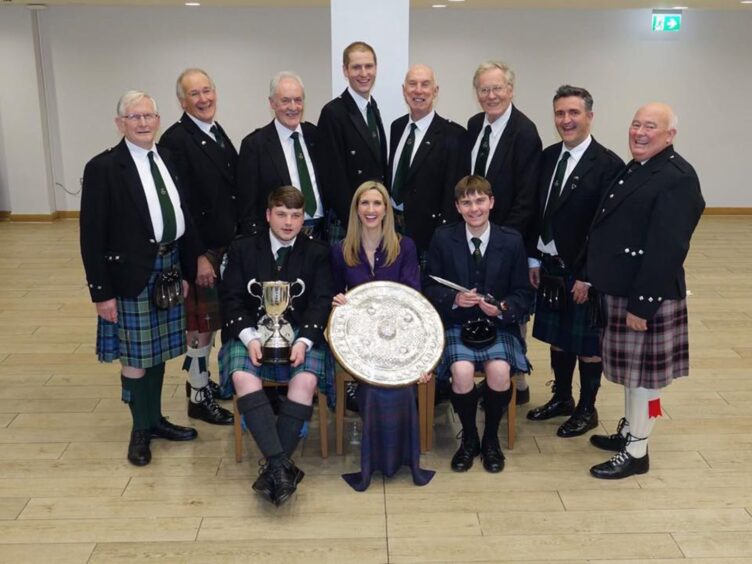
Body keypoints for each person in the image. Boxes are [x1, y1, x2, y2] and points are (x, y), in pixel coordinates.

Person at [80, 90, 199, 466]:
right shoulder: (103, 167)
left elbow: (180, 213)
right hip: (130, 276)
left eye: (149, 115)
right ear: (120, 124)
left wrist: (184, 269)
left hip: (168, 268)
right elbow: (91, 234)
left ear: (158, 119)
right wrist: (102, 293)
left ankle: (157, 419)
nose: (144, 123)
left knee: (158, 350)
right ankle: (139, 429)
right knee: (135, 357)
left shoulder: (166, 156)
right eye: (135, 117)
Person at [586, 103, 704, 479]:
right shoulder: (640, 166)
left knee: (646, 381)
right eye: (635, 124)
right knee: (632, 374)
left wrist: (643, 304)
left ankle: (638, 450)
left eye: (650, 126)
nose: (639, 131)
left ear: (669, 135)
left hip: (645, 296)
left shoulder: (677, 177)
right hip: (622, 288)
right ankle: (630, 430)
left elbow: (668, 249)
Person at [218, 186, 334, 506]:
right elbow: (230, 301)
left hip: (298, 331)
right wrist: (249, 337)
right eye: (281, 214)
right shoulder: (242, 249)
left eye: (296, 216)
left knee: (306, 380)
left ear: (303, 219)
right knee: (243, 377)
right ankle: (281, 465)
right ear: (268, 215)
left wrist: (305, 339)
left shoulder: (318, 252)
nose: (288, 223)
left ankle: (274, 466)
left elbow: (321, 301)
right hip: (251, 330)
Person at [526, 85, 624, 437]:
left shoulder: (608, 165)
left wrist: (588, 276)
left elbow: (606, 229)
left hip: (583, 271)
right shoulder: (549, 156)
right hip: (549, 264)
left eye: (574, 113)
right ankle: (563, 398)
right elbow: (540, 212)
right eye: (560, 114)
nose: (566, 120)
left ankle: (587, 408)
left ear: (590, 116)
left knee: (587, 345)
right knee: (558, 338)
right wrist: (534, 258)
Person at [330, 181, 435, 491]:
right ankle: (372, 461)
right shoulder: (340, 251)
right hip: (358, 342)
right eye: (365, 203)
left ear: (387, 210)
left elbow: (414, 300)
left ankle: (401, 459)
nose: (371, 210)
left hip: (399, 340)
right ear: (356, 209)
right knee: (374, 390)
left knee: (399, 390)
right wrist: (337, 302)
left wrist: (420, 356)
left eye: (378, 204)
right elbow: (334, 294)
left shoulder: (406, 247)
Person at [425, 175, 533, 473]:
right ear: (457, 207)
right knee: (461, 372)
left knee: (499, 372)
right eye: (466, 202)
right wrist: (454, 299)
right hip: (457, 323)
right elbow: (429, 286)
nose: (474, 208)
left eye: (479, 201)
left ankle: (490, 440)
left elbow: (524, 294)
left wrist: (503, 308)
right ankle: (469, 438)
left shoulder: (511, 240)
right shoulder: (443, 238)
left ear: (491, 202)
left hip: (498, 326)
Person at [159, 68, 237, 426]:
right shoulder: (176, 140)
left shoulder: (215, 131)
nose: (204, 99)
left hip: (224, 244)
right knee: (201, 326)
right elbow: (182, 206)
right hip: (204, 250)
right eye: (195, 94)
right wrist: (198, 257)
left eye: (207, 90)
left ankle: (207, 382)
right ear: (182, 101)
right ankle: (197, 394)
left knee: (214, 322)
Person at [465, 61, 542, 404]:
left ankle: (517, 381)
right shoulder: (473, 126)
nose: (491, 95)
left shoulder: (525, 132)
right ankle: (492, 367)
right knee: (478, 301)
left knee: (507, 306)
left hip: (509, 238)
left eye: (497, 88)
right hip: (474, 231)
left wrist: (504, 239)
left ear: (511, 90)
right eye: (484, 89)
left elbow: (528, 197)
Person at [388, 64, 465, 263]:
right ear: (404, 91)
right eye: (412, 84)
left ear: (435, 91)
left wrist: (443, 240)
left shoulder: (453, 134)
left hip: (428, 236)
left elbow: (452, 194)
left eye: (425, 84)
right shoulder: (396, 127)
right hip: (391, 229)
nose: (418, 90)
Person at [237, 71, 326, 240]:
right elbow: (247, 206)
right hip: (278, 239)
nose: (293, 107)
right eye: (285, 100)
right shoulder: (255, 145)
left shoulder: (316, 135)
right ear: (272, 103)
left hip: (322, 235)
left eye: (298, 100)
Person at [316, 41, 388, 244]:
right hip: (348, 219)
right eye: (356, 67)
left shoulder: (373, 108)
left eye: (369, 66)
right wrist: (355, 223)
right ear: (345, 71)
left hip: (372, 217)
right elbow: (332, 177)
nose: (364, 73)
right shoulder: (333, 113)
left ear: (376, 68)